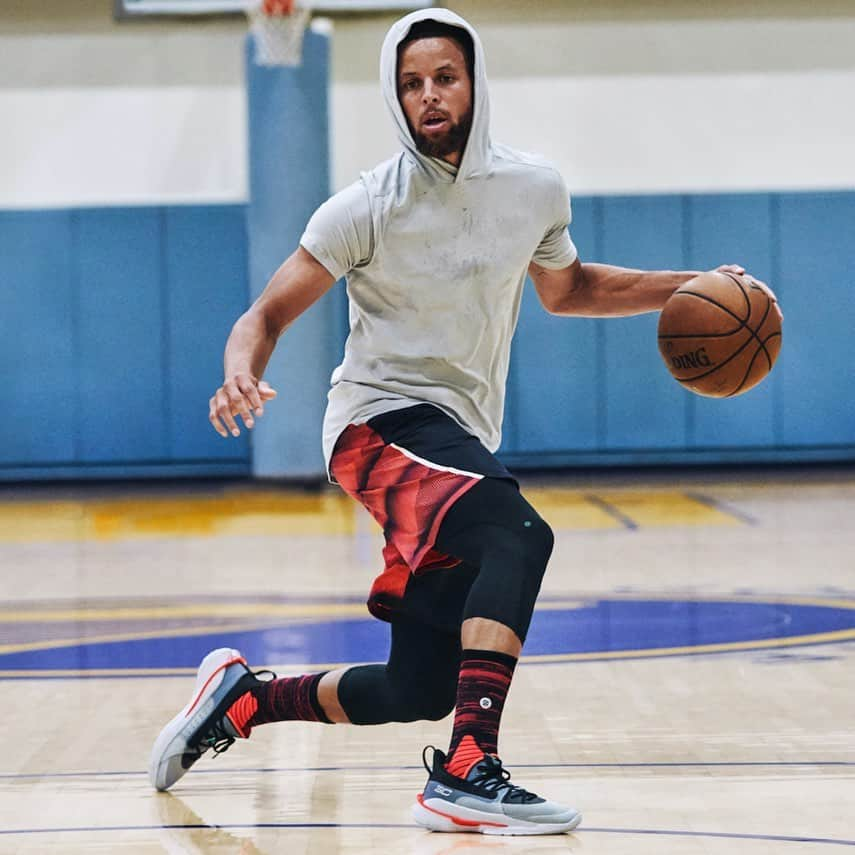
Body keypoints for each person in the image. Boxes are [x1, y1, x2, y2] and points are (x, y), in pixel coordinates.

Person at [149, 8, 779, 835]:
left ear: (475, 83)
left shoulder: (532, 187)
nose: (428, 96)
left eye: (443, 77)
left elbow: (570, 288)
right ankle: (467, 767)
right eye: (411, 84)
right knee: (516, 531)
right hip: (375, 424)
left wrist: (692, 284)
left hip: (457, 434)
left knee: (417, 687)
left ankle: (245, 701)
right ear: (395, 97)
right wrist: (241, 369)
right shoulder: (364, 206)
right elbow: (263, 314)